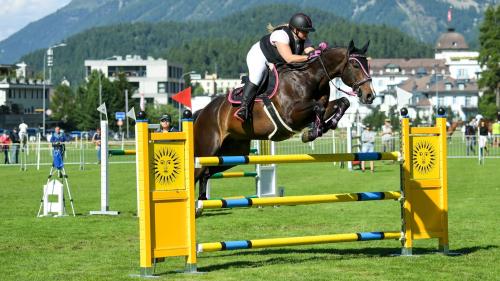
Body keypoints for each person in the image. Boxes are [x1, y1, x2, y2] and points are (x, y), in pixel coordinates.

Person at [236, 13, 317, 121]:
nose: (307, 33)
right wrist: (309, 57)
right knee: (257, 77)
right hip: (260, 55)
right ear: (296, 30)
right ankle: (243, 109)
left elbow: (310, 52)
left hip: (276, 60)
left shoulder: (304, 38)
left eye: (308, 31)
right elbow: (289, 58)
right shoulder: (281, 36)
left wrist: (319, 52)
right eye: (305, 31)